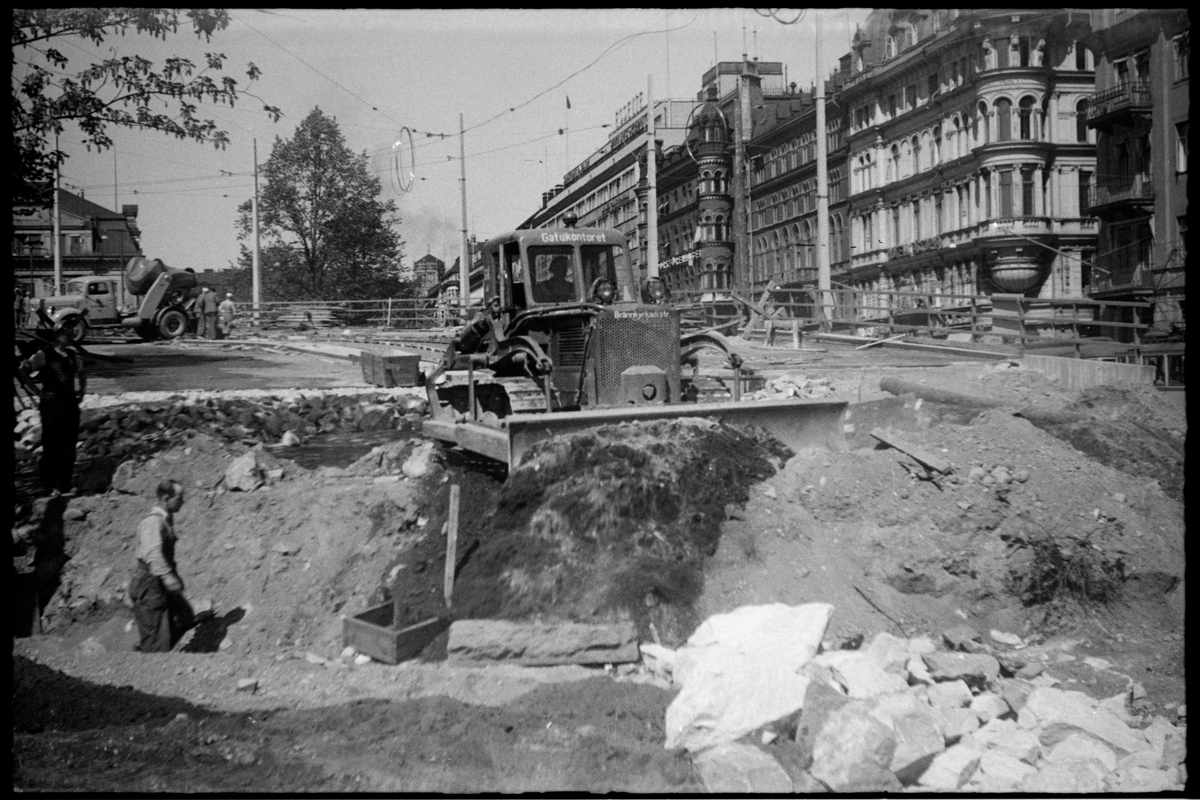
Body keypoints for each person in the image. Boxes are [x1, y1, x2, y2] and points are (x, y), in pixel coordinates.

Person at [18, 326, 86, 496]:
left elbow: (81, 373)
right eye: (66, 335)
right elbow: (23, 371)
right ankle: (49, 484)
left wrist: (81, 390)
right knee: (52, 444)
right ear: (58, 336)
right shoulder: (43, 355)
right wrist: (38, 392)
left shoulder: (72, 356)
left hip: (69, 404)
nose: (69, 338)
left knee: (69, 445)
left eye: (70, 335)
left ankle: (65, 483)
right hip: (52, 405)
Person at [129, 479, 195, 652]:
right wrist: (167, 576)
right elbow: (152, 553)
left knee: (181, 618)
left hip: (157, 582)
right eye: (179, 498)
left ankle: (155, 649)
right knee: (156, 637)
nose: (182, 501)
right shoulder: (153, 522)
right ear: (166, 498)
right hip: (150, 584)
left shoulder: (165, 519)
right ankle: (151, 661)